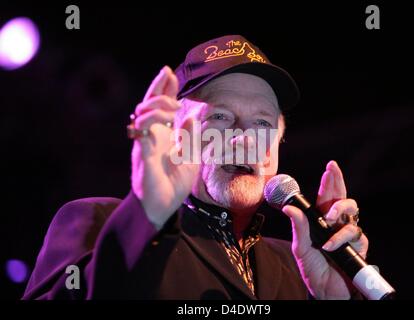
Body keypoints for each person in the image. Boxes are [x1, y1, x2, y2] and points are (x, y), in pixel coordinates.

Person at [23, 35, 368, 300]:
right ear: (174, 135)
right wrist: (148, 216)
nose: (244, 138)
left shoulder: (299, 268)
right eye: (219, 117)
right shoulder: (99, 223)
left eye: (262, 123)